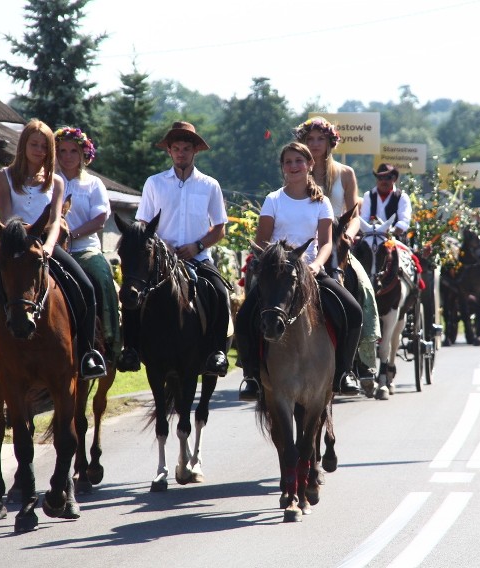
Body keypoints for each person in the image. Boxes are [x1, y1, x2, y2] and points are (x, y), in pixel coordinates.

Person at [0, 118, 107, 381]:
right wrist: (24, 234)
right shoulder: (5, 176)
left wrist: (48, 247)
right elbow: (8, 219)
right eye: (35, 144)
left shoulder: (56, 181)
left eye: (44, 146)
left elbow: (56, 220)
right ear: (24, 146)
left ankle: (88, 354)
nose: (40, 150)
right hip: (14, 249)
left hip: (45, 248)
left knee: (87, 289)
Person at [236, 141, 363, 401]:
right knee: (245, 315)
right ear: (283, 168)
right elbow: (262, 242)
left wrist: (316, 265)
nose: (293, 166)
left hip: (311, 270)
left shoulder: (322, 202)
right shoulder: (273, 200)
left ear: (309, 165)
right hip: (278, 274)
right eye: (288, 162)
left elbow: (327, 243)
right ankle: (251, 375)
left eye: (298, 161)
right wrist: (272, 263)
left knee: (353, 310)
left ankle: (344, 371)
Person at [120, 121, 231, 377]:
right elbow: (143, 224)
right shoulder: (154, 183)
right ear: (169, 151)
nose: (181, 153)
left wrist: (198, 245)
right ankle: (131, 350)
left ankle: (217, 352)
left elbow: (219, 228)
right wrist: (161, 245)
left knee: (219, 292)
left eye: (186, 148)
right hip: (158, 260)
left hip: (198, 257)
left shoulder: (209, 185)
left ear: (195, 152)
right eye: (176, 148)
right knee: (132, 293)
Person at [293, 116, 378, 388]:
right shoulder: (297, 170)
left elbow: (354, 213)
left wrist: (349, 235)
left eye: (320, 139)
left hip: (338, 241)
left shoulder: (345, 173)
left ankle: (359, 363)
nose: (315, 144)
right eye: (310, 139)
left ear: (331, 142)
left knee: (364, 289)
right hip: (305, 243)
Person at [54, 126, 121, 364]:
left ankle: (107, 344)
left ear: (83, 154)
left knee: (100, 280)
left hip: (85, 248)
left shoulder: (94, 184)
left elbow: (100, 219)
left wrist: (71, 235)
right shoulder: (48, 182)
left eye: (73, 150)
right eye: (62, 151)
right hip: (52, 248)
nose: (67, 156)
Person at [359, 163, 412, 238]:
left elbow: (404, 221)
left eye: (387, 177)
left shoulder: (402, 197)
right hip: (371, 238)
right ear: (377, 179)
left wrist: (391, 231)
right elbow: (364, 219)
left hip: (394, 239)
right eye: (380, 178)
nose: (383, 181)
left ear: (394, 179)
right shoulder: (368, 196)